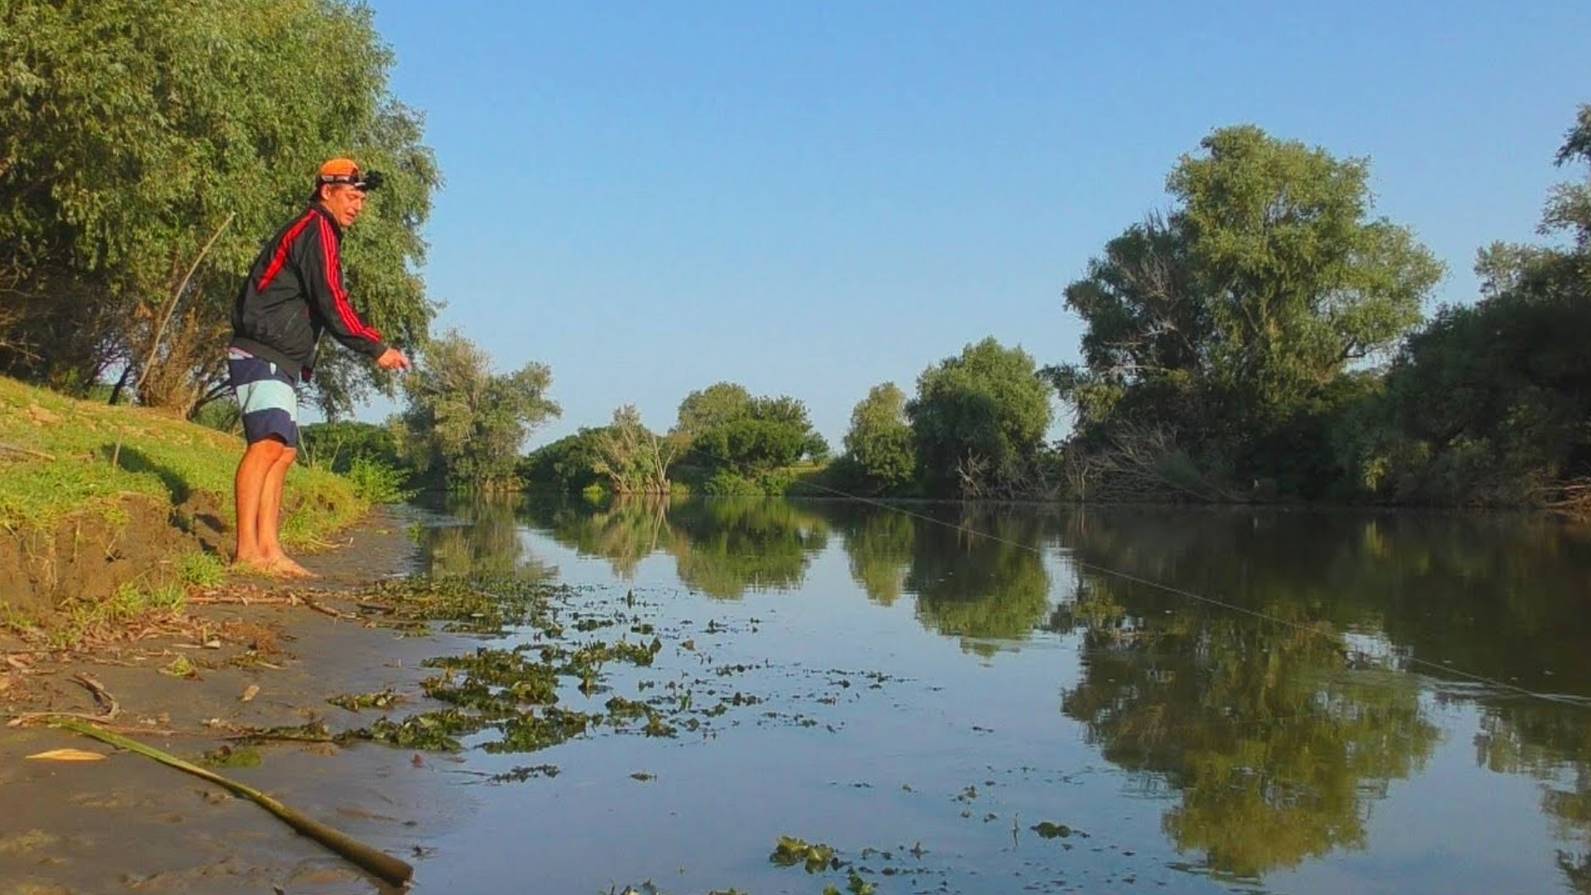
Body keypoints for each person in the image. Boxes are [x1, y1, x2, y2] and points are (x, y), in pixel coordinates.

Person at [227, 158, 411, 576]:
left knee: (285, 451)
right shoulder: (316, 229)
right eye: (351, 196)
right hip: (260, 350)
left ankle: (270, 551)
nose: (358, 206)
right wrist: (375, 347)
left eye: (362, 198)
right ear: (326, 192)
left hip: (282, 358)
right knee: (267, 446)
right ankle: (247, 553)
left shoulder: (321, 231)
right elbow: (332, 300)